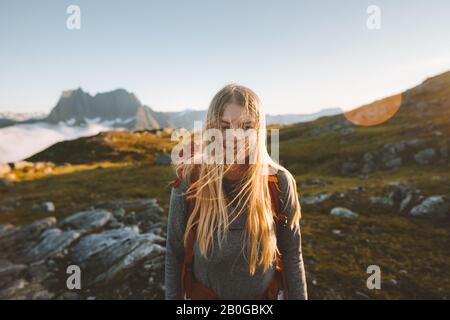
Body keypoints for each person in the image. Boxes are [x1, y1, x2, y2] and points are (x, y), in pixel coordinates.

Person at [165, 84, 307, 300]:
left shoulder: (278, 182)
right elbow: (174, 255)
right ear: (212, 128)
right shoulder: (190, 182)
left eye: (246, 126)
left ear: (258, 130)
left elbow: (291, 254)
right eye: (224, 127)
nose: (235, 137)